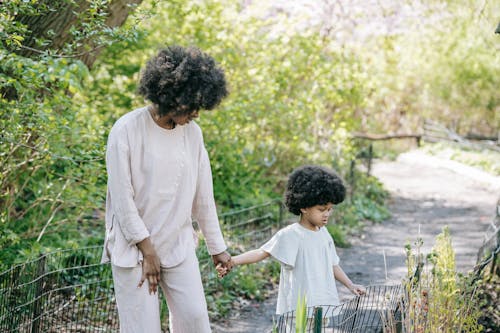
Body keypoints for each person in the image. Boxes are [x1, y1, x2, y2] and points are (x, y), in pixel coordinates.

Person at [101, 45, 232, 333]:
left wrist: (217, 247)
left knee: (196, 320)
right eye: (191, 106)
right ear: (171, 95)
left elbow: (203, 197)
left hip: (178, 244)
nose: (196, 113)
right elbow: (123, 202)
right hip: (134, 252)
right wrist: (147, 252)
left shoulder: (192, 134)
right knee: (142, 329)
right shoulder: (126, 130)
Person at [217, 165, 365, 317]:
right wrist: (232, 261)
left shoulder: (324, 234)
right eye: (321, 210)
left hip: (322, 304)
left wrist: (350, 285)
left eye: (329, 209)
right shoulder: (291, 234)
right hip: (298, 309)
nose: (327, 214)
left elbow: (332, 265)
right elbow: (262, 252)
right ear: (304, 207)